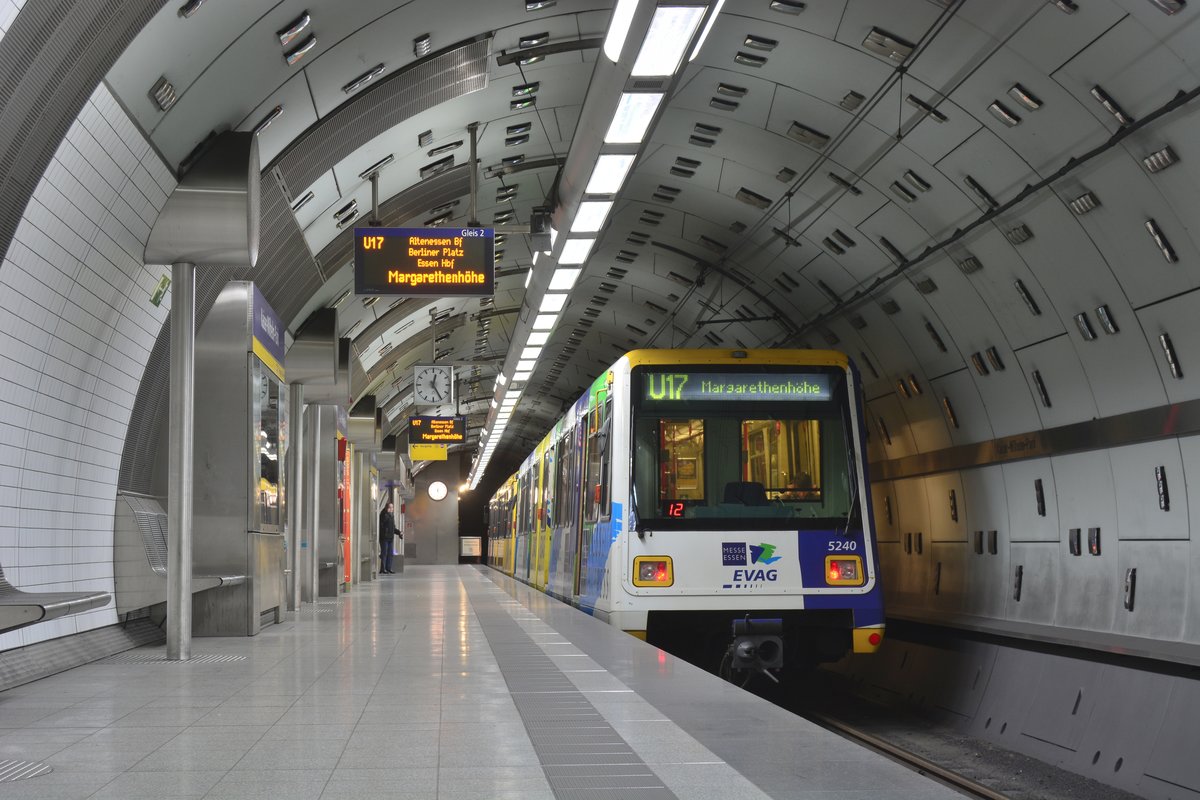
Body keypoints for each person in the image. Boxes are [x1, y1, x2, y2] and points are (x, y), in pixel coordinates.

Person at [379, 501, 397, 574]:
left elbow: (393, 528)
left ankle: (388, 568)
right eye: (389, 507)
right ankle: (383, 569)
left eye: (392, 507)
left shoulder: (392, 516)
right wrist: (387, 513)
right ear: (386, 508)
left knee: (390, 553)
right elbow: (383, 523)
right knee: (384, 553)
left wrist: (399, 532)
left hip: (390, 538)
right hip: (384, 538)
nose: (391, 509)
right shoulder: (383, 514)